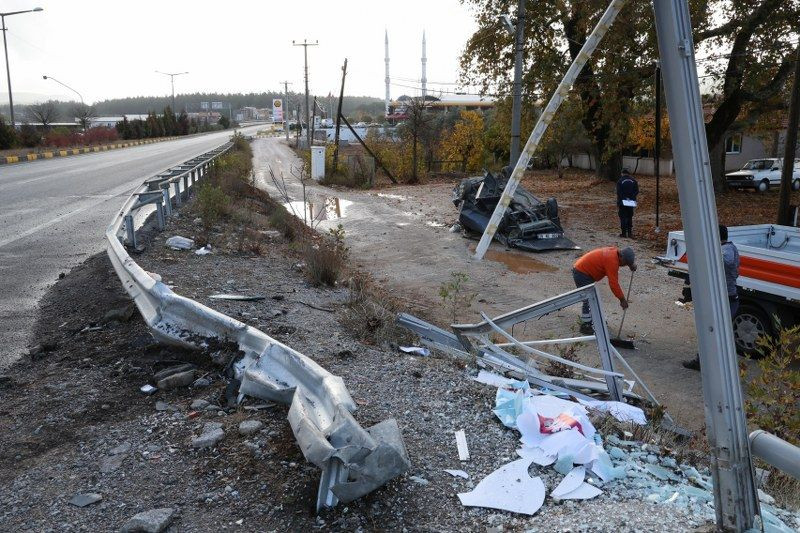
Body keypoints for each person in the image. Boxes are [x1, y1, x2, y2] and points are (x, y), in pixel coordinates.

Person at [683, 224, 740, 370]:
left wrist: (709, 251)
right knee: (717, 333)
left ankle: (704, 362)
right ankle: (716, 362)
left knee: (710, 331)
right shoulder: (731, 247)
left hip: (724, 300)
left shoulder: (726, 251)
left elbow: (726, 260)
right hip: (727, 298)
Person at [573, 246, 637, 334]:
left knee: (594, 298)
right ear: (621, 257)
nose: (624, 265)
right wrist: (622, 299)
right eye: (625, 263)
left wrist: (631, 265)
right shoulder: (612, 261)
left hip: (584, 271)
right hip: (582, 273)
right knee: (588, 299)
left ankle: (596, 320)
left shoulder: (615, 253)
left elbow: (624, 261)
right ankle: (585, 326)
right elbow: (613, 284)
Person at [617, 168, 639, 238]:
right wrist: (631, 197)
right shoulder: (634, 181)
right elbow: (636, 191)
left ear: (622, 173)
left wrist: (624, 198)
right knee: (629, 217)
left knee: (623, 217)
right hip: (631, 202)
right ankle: (630, 233)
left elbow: (619, 192)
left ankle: (623, 233)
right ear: (629, 173)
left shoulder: (620, 181)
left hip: (622, 202)